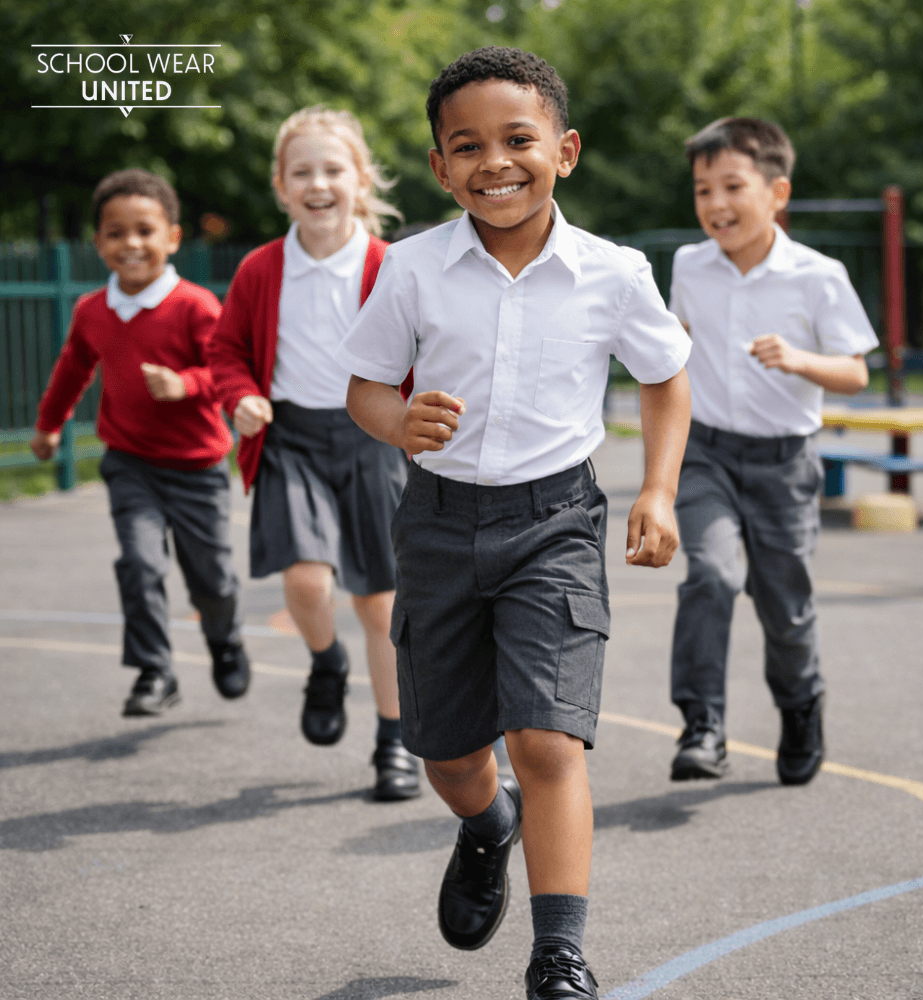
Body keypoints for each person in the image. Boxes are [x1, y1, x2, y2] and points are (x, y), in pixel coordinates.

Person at [337, 47, 691, 1000]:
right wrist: (397, 420)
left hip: (555, 523)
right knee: (450, 756)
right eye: (468, 146)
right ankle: (486, 825)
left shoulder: (614, 273)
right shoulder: (410, 270)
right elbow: (365, 387)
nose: (495, 161)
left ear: (564, 151)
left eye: (518, 139)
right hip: (441, 524)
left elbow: (665, 379)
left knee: (545, 742)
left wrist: (657, 492)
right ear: (442, 167)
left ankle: (559, 953)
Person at [207, 107, 420, 802]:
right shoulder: (261, 269)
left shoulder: (390, 265)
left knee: (383, 608)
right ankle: (325, 665)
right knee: (305, 583)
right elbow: (226, 351)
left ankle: (395, 743)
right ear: (281, 186)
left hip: (373, 439)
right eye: (303, 172)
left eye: (334, 169)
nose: (319, 183)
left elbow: (428, 352)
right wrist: (240, 396)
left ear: (361, 180)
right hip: (291, 439)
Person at [667, 117, 878, 786]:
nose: (716, 205)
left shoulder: (818, 276)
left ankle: (800, 703)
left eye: (732, 186)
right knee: (710, 575)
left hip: (785, 464)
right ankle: (702, 724)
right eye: (703, 190)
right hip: (706, 456)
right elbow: (675, 349)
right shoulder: (688, 265)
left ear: (777, 192)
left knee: (786, 611)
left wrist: (799, 359)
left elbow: (856, 371)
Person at [31, 169, 249, 716]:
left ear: (171, 238)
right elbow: (71, 369)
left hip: (197, 467)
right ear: (98, 242)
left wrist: (186, 384)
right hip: (130, 463)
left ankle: (224, 640)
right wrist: (49, 424)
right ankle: (155, 671)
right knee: (139, 563)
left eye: (145, 231)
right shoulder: (91, 311)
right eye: (115, 232)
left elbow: (226, 369)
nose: (131, 244)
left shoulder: (195, 306)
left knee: (213, 579)